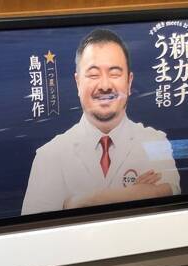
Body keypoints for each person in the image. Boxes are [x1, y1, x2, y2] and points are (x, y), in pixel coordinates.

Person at [22, 28, 181, 216]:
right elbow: (36, 228)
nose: (105, 86)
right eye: (93, 74)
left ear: (129, 82)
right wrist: (134, 193)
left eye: (114, 73)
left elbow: (165, 192)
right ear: (78, 82)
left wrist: (77, 202)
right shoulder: (49, 155)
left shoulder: (155, 140)